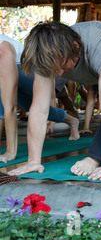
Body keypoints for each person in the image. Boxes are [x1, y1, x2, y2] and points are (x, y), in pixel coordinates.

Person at [8, 20, 101, 181]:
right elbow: (39, 109)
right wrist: (33, 161)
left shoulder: (98, 44)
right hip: (100, 74)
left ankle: (95, 157)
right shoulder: (47, 54)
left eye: (62, 65)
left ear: (76, 47)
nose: (59, 74)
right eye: (54, 69)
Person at [0, 35, 79, 164]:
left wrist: (10, 152)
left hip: (25, 68)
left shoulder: (3, 51)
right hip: (6, 67)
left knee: (35, 107)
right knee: (8, 106)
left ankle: (72, 121)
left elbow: (11, 108)